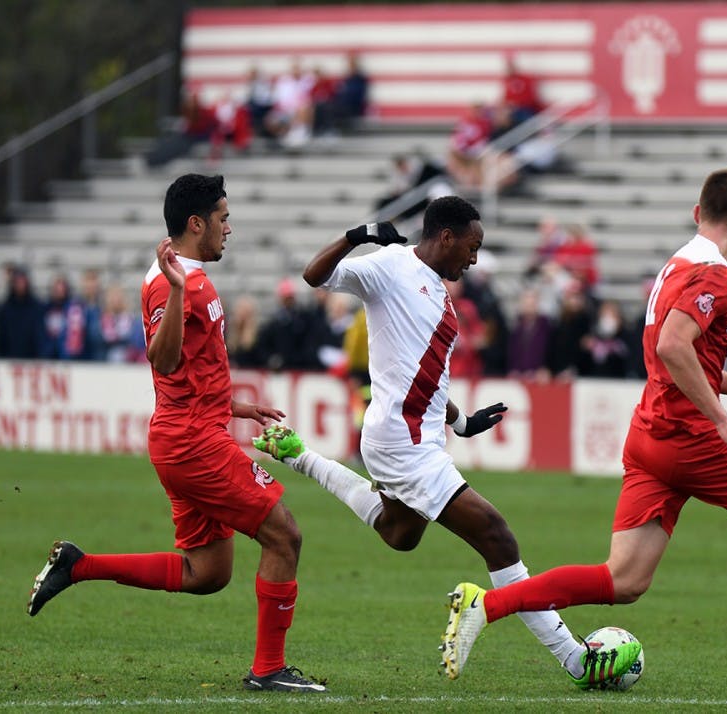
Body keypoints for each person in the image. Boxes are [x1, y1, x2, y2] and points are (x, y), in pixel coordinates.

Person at [439, 168, 727, 703]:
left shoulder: (677, 264)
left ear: (696, 213)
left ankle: (486, 604)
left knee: (624, 580)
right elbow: (672, 348)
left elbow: (684, 357)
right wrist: (726, 422)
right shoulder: (721, 278)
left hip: (650, 434)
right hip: (691, 438)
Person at [253, 196, 602, 687]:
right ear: (446, 236)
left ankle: (300, 456)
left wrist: (461, 423)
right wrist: (358, 236)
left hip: (412, 435)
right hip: (403, 441)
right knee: (496, 536)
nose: (474, 258)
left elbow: (428, 376)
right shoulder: (389, 266)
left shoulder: (439, 292)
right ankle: (575, 658)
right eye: (472, 246)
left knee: (401, 534)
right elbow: (314, 275)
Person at [25, 173, 325, 694]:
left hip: (191, 434)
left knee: (208, 572)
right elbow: (163, 361)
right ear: (196, 223)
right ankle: (269, 669)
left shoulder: (185, 276)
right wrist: (181, 289)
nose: (229, 229)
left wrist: (239, 405)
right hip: (192, 443)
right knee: (285, 535)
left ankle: (78, 565)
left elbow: (190, 370)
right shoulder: (172, 280)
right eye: (223, 218)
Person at [0, 266, 44, 359]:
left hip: (31, 361)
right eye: (17, 281)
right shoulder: (4, 308)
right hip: (9, 360)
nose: (20, 285)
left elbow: (40, 337)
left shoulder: (37, 307)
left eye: (23, 281)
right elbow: (0, 338)